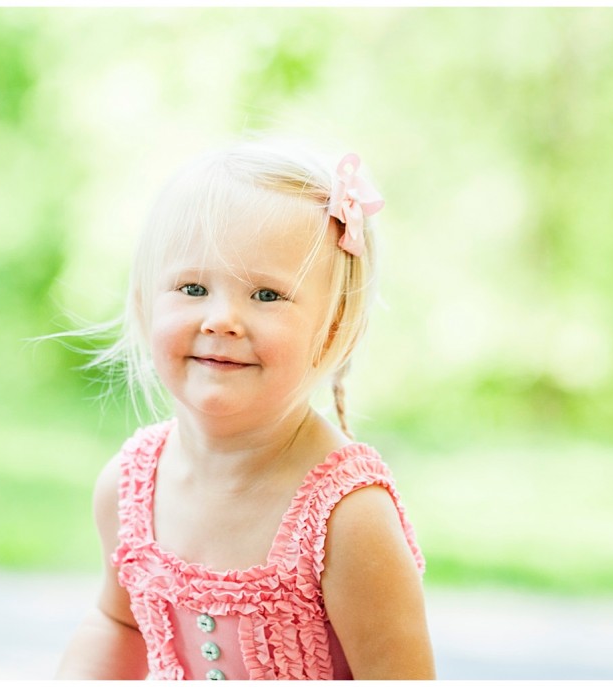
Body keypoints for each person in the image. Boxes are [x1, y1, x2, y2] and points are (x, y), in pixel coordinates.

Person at [54, 136, 435, 680]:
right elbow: (119, 624)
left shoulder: (347, 519)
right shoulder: (129, 488)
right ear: (143, 304)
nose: (221, 319)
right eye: (191, 287)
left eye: (265, 295)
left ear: (333, 327)